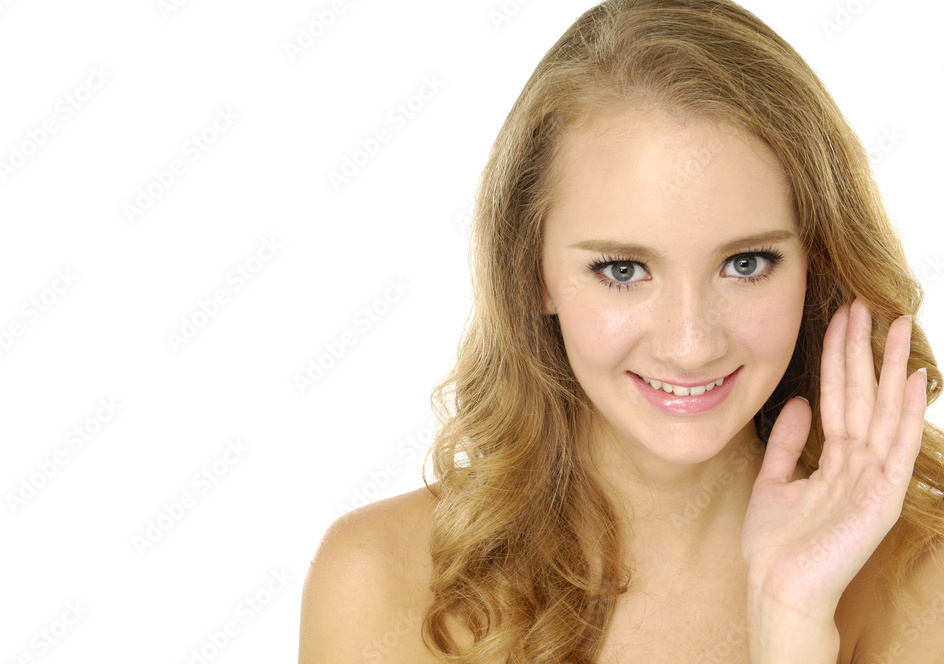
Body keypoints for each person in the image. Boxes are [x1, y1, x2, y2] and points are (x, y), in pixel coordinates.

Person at [299, 0, 944, 661]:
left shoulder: (923, 576)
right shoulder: (378, 579)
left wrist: (793, 620)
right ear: (533, 273)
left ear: (816, 263)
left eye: (745, 263)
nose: (691, 343)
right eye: (623, 269)